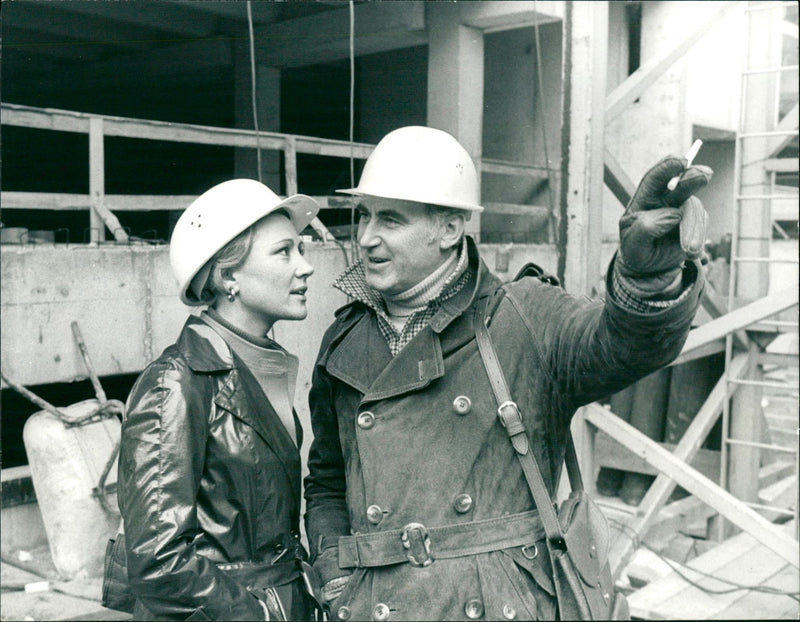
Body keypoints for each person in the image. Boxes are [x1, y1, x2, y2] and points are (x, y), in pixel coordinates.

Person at [303, 126, 711, 620]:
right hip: (375, 604)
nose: (366, 238)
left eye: (390, 219)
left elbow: (623, 346)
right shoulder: (345, 340)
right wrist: (334, 569)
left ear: (450, 229)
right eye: (363, 215)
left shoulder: (525, 315)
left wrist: (645, 279)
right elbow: (327, 478)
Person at [118, 179, 320, 620]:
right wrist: (255, 614)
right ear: (229, 276)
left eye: (301, 250)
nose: (305, 267)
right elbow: (157, 561)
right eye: (284, 252)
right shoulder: (176, 383)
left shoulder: (258, 365)